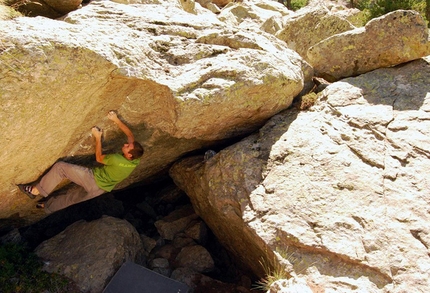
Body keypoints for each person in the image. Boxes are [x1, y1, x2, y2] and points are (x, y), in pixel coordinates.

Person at [18, 110, 144, 213]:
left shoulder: (116, 159)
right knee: (71, 199)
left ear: (128, 155)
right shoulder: (135, 159)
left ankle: (36, 191)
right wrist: (116, 119)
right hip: (100, 190)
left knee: (60, 168)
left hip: (92, 179)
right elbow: (130, 135)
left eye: (127, 147)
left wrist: (98, 138)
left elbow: (99, 158)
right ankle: (46, 207)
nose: (126, 144)